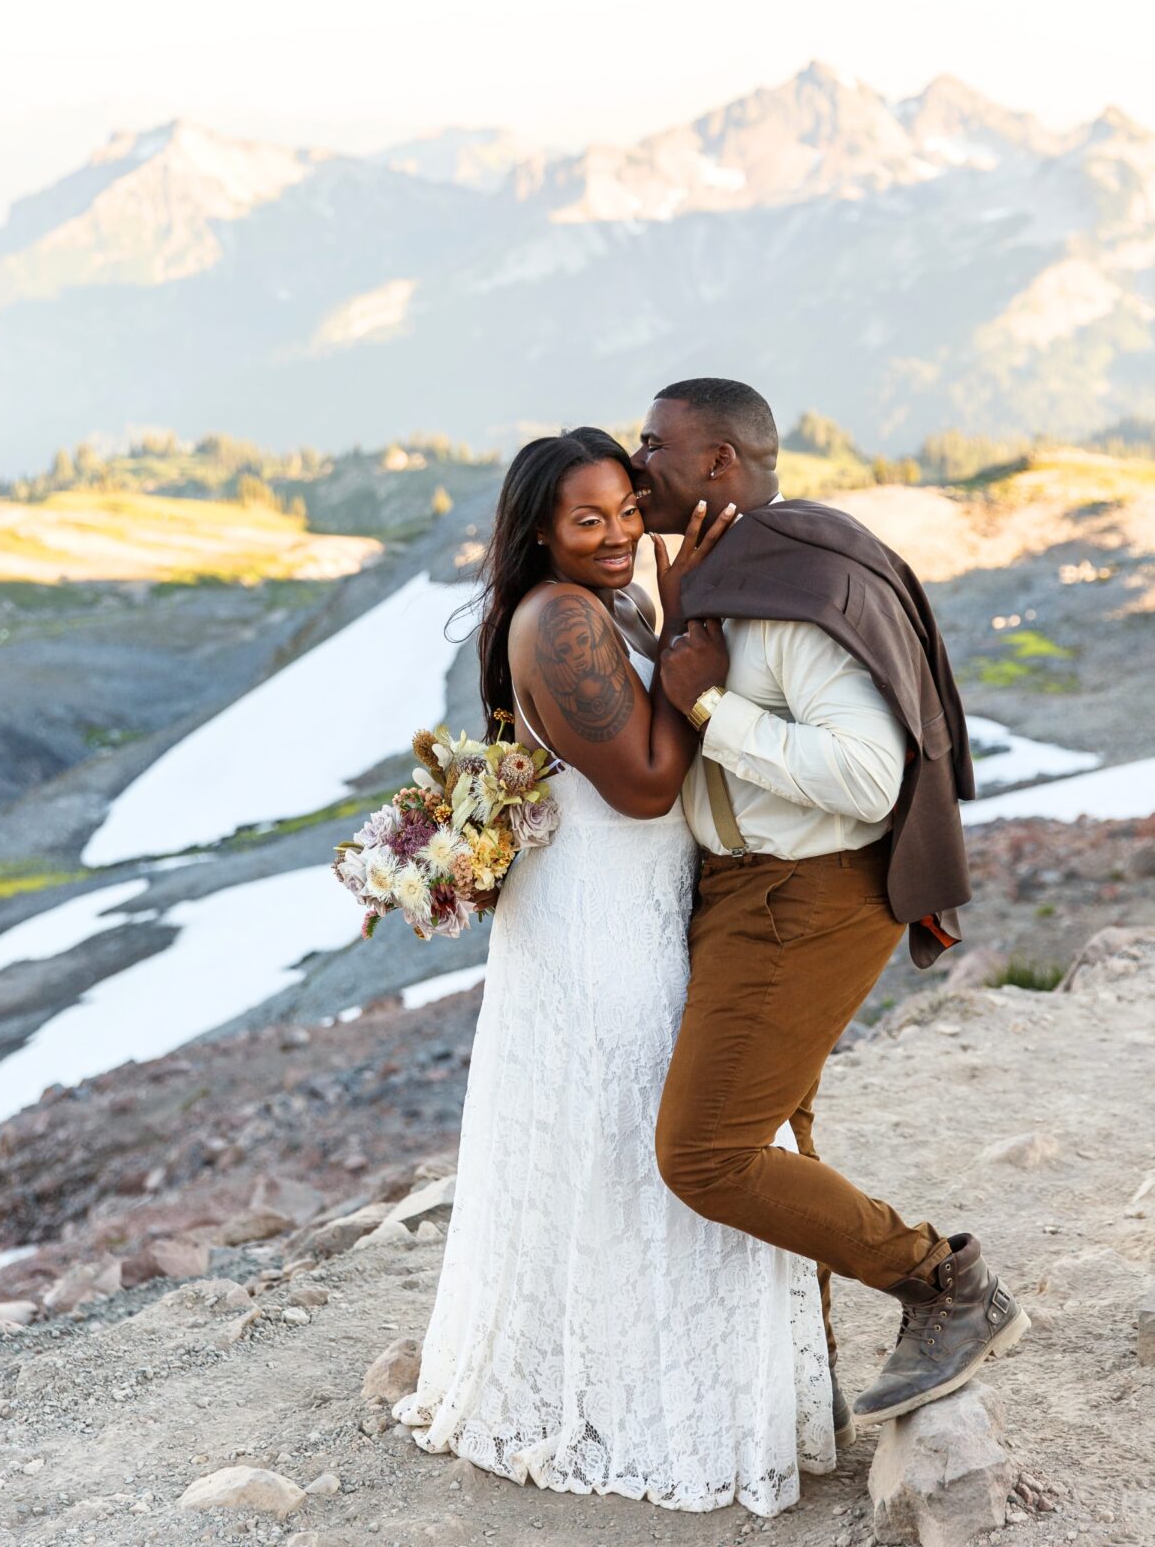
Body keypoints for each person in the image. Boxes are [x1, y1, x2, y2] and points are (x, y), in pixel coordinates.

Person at [395, 427, 836, 1518]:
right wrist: (698, 659)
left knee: (639, 1144)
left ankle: (649, 1383)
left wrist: (674, 624)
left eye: (626, 513)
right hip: (595, 930)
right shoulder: (556, 622)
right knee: (633, 1142)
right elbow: (642, 785)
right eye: (586, 520)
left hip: (639, 912)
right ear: (540, 530)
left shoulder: (617, 611)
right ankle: (618, 1404)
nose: (616, 536)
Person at [634, 378, 1029, 1429]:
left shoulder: (789, 590)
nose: (637, 466)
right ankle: (796, 1389)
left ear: (719, 461)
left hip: (803, 898)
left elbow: (867, 775)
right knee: (775, 1147)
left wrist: (709, 704)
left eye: (654, 445)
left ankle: (940, 1281)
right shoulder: (727, 579)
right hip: (748, 893)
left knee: (706, 1155)